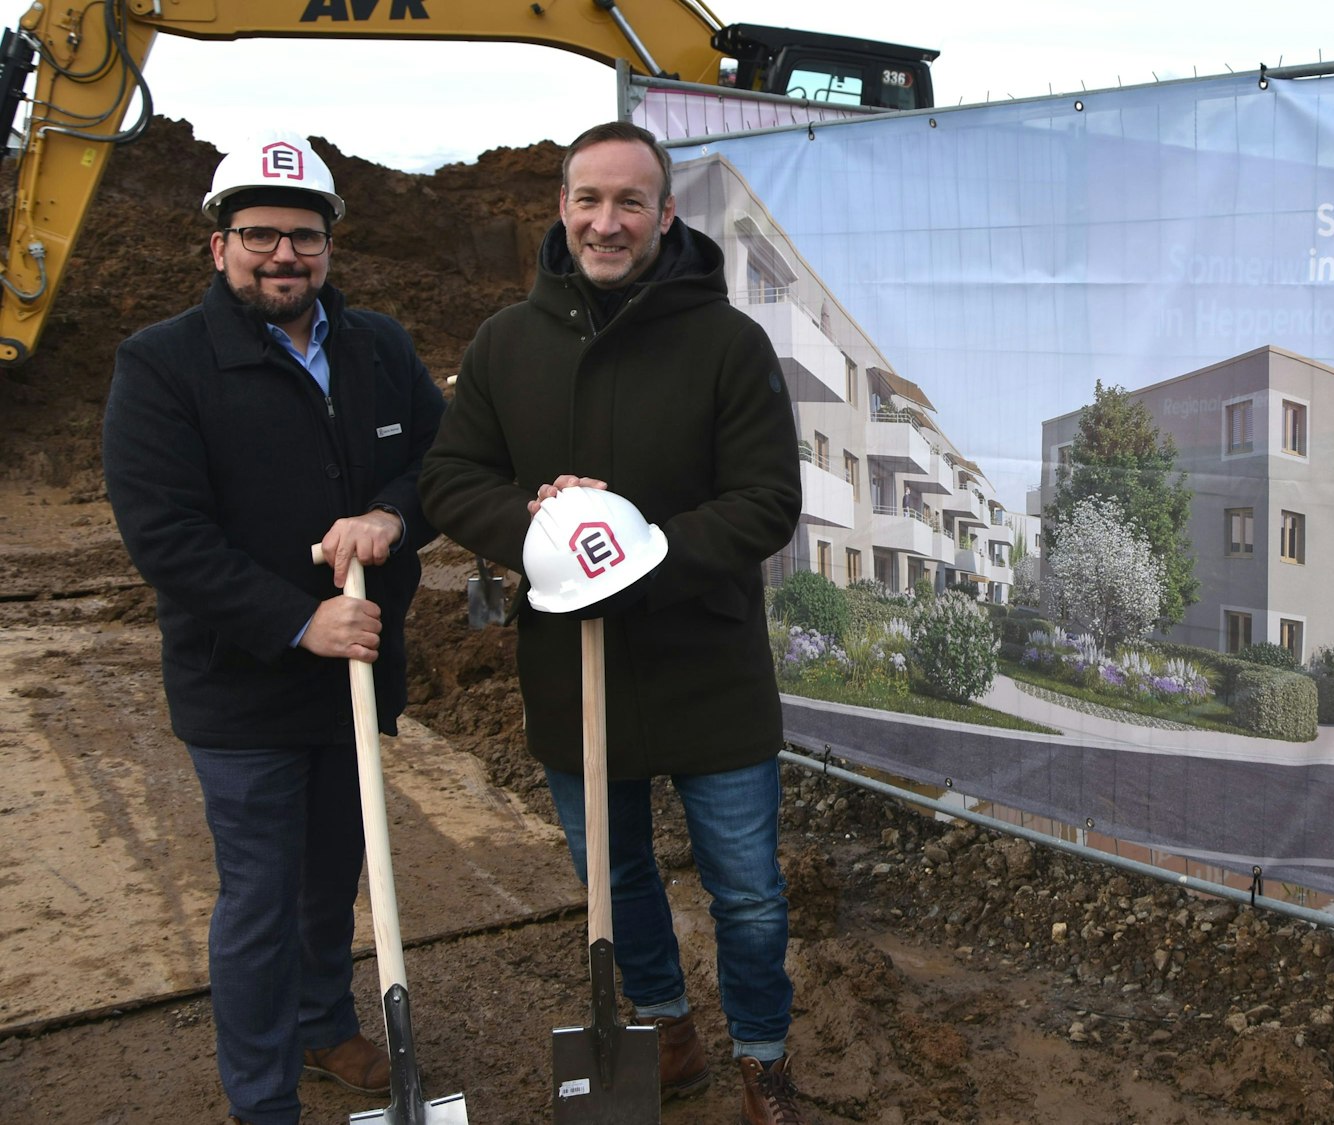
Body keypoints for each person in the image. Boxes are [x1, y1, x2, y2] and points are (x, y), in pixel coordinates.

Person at [418, 121, 807, 1123]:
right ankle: (666, 1031)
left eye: (629, 201)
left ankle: (763, 1058)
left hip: (705, 660)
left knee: (749, 891)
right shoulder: (508, 343)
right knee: (615, 878)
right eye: (587, 199)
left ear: (665, 215)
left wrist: (628, 547)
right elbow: (452, 479)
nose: (607, 221)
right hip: (571, 663)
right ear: (560, 210)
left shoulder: (727, 343)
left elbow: (766, 502)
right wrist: (545, 529)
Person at [101, 132, 443, 1125]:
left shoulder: (377, 345)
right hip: (243, 681)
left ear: (329, 245)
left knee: (330, 874)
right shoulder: (162, 365)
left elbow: (437, 460)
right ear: (218, 246)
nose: (283, 256)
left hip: (356, 673)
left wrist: (390, 515)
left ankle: (324, 1025)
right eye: (259, 235)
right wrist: (301, 624)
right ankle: (262, 1098)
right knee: (257, 900)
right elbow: (166, 538)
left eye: (304, 236)